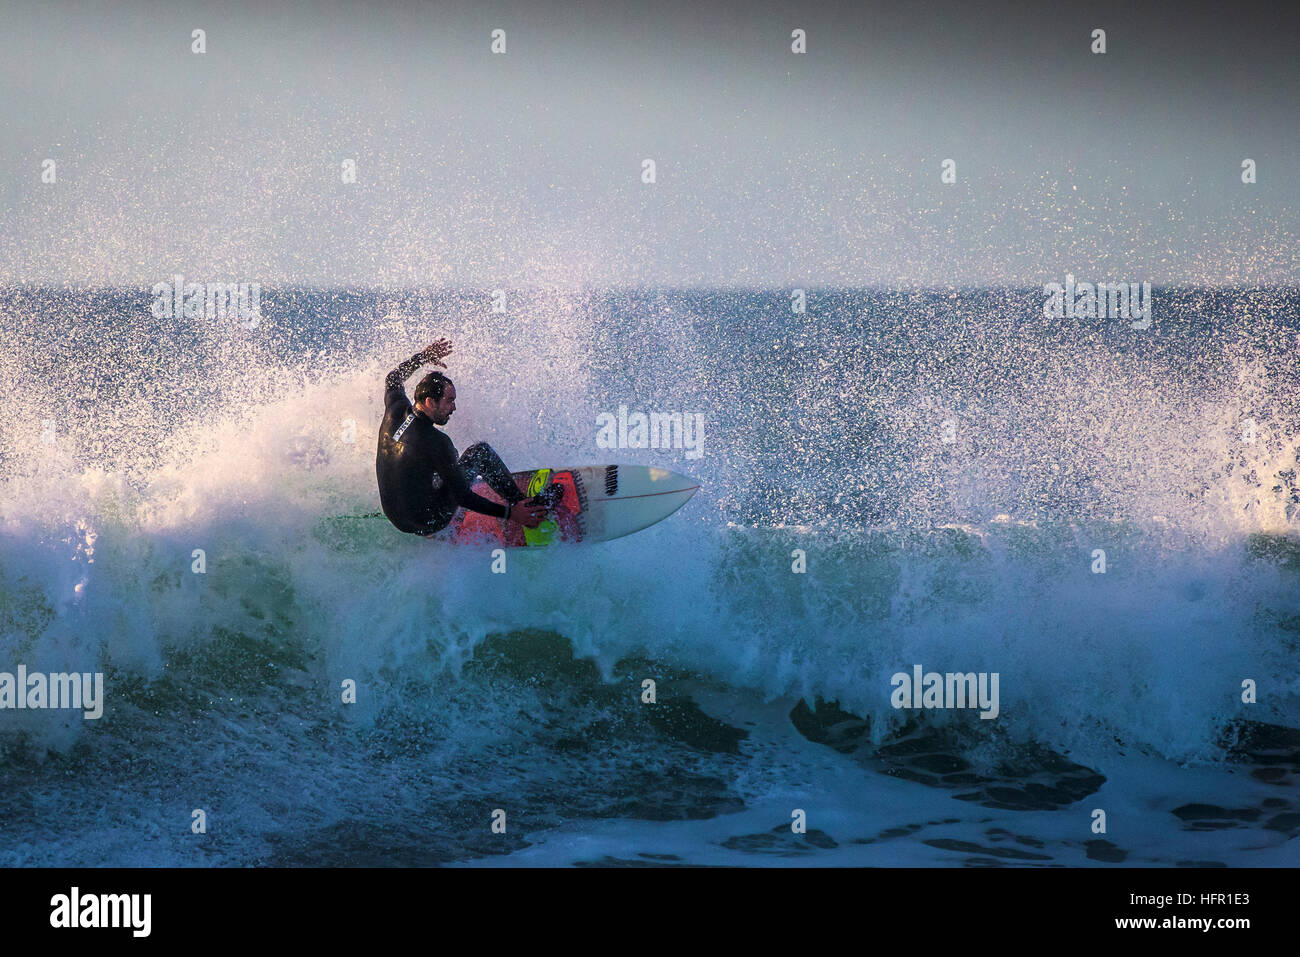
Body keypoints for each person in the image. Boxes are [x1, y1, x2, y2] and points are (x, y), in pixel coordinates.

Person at [376, 338, 551, 535]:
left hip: (399, 521)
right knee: (480, 453)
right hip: (430, 521)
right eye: (449, 401)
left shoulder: (395, 409)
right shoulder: (436, 442)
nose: (454, 408)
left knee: (431, 464)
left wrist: (423, 357)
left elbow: (393, 378)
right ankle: (525, 507)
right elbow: (463, 497)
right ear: (429, 402)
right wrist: (510, 514)